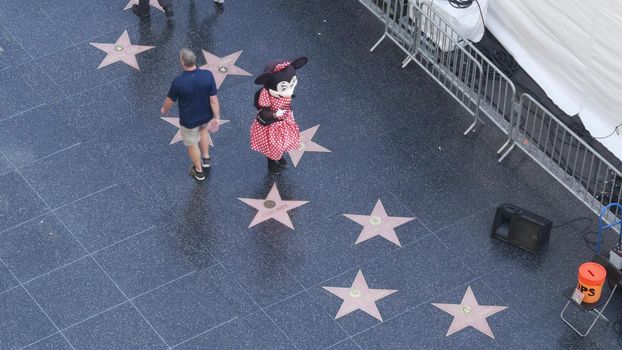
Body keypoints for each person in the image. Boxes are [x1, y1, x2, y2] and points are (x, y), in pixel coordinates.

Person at [161, 48, 221, 181]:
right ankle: (206, 158)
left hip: (189, 121)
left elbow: (170, 100)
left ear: (182, 62)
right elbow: (213, 99)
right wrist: (216, 117)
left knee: (192, 144)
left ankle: (198, 171)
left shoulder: (179, 81)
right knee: (204, 131)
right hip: (206, 115)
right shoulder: (208, 75)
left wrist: (164, 109)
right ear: (194, 60)